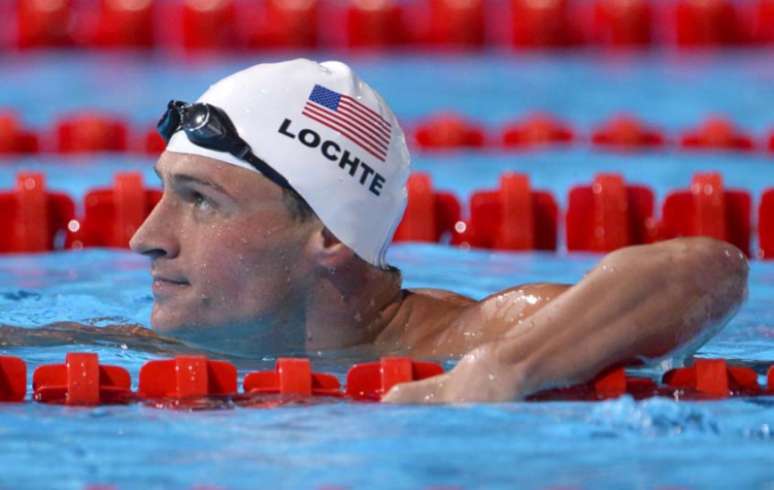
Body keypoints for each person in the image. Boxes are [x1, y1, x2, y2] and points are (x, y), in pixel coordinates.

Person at [127, 58, 747, 403]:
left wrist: (505, 370)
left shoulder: (472, 338)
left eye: (201, 201)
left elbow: (706, 267)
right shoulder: (188, 348)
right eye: (165, 192)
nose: (146, 236)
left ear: (332, 236)